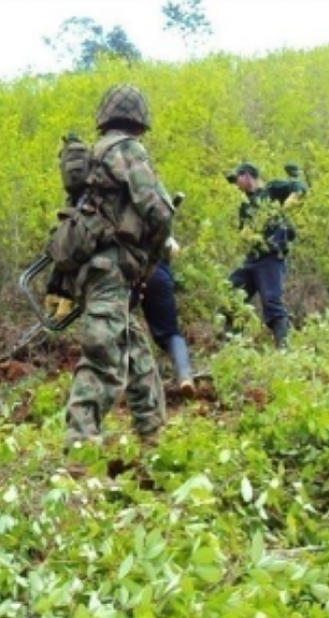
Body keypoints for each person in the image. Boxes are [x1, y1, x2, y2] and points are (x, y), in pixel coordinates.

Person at [63, 84, 175, 449]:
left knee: (137, 350)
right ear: (139, 123)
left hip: (95, 269)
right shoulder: (126, 150)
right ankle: (79, 454)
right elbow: (159, 212)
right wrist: (153, 259)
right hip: (112, 269)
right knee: (103, 358)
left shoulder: (95, 156)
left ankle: (153, 436)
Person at [226, 162, 294, 349]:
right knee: (230, 296)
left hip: (271, 257)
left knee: (272, 303)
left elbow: (297, 187)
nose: (236, 185)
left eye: (237, 179)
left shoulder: (271, 190)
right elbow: (244, 232)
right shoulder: (244, 205)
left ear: (247, 176)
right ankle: (232, 348)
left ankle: (284, 351)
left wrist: (295, 192)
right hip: (251, 259)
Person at [133, 240, 195, 398]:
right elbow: (174, 248)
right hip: (157, 272)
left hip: (127, 275)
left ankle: (123, 385)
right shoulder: (155, 216)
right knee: (170, 333)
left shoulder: (114, 217)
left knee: (117, 328)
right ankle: (185, 377)